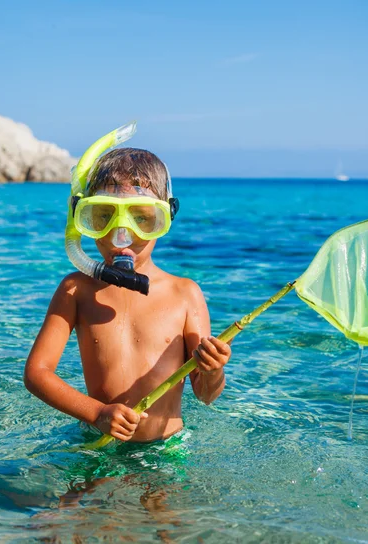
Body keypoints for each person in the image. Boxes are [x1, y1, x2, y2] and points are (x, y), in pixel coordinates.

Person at [24, 125, 231, 443]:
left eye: (143, 218)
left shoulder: (185, 294)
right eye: (103, 216)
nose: (122, 236)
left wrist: (214, 370)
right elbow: (37, 374)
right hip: (98, 439)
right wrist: (95, 413)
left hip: (165, 449)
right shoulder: (75, 290)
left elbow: (205, 394)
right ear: (82, 219)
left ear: (165, 220)